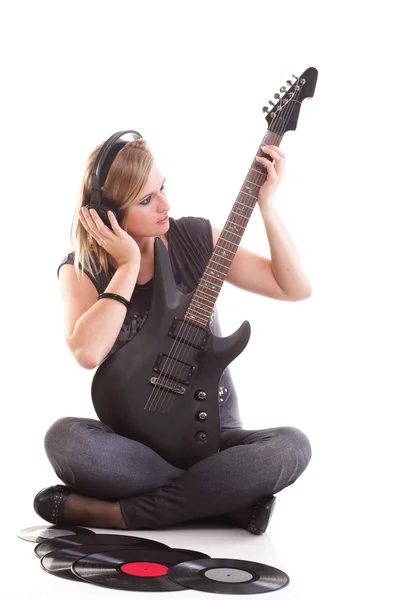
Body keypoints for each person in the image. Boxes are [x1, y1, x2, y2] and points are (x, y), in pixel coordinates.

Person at [34, 135, 313, 535]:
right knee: (64, 440)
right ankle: (222, 502)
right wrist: (128, 264)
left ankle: (118, 514)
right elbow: (87, 352)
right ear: (107, 213)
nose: (165, 205)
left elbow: (293, 288)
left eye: (162, 187)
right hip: (133, 444)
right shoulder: (82, 269)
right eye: (146, 200)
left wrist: (266, 205)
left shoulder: (196, 239)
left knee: (293, 446)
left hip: (214, 433)